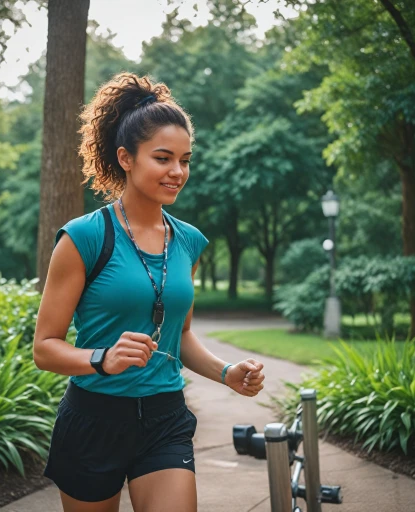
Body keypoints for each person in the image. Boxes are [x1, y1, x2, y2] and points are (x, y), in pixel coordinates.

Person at [33, 72, 265, 512]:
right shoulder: (83, 238)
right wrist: (102, 358)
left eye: (185, 159)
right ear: (126, 158)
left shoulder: (189, 241)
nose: (177, 172)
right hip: (93, 420)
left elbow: (182, 336)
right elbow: (44, 348)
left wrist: (226, 371)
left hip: (164, 417)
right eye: (163, 158)